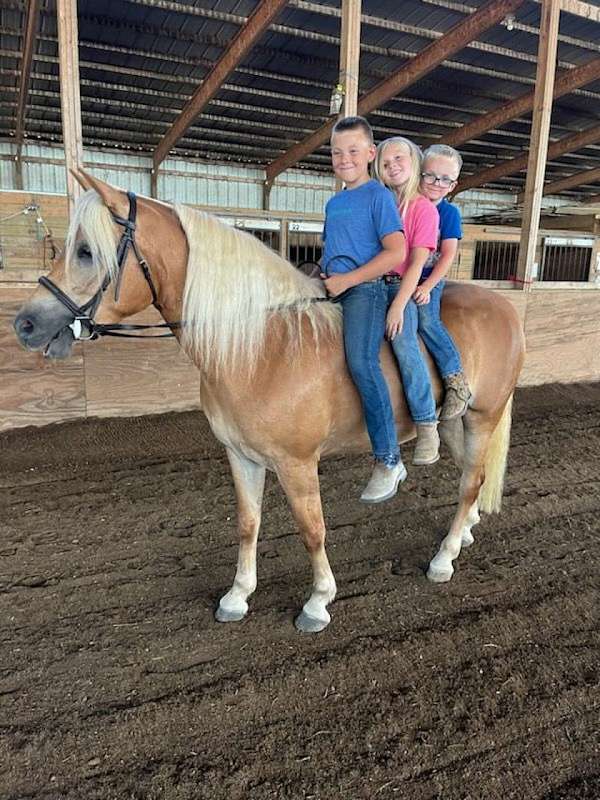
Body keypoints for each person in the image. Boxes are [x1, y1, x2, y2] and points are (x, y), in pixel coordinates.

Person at [321, 116, 407, 504]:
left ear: (370, 153)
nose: (345, 159)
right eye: (338, 152)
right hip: (333, 285)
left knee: (361, 361)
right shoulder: (334, 202)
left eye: (354, 151)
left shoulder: (378, 196)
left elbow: (396, 252)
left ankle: (389, 458)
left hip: (365, 291)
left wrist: (348, 280)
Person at [373, 136, 440, 466]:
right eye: (385, 163)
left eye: (399, 159)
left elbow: (416, 262)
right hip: (371, 285)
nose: (392, 166)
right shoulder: (381, 204)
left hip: (400, 285)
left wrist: (399, 304)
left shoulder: (423, 209)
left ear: (414, 162)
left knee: (404, 344)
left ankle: (427, 424)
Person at [415, 144, 471, 420]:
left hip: (428, 277)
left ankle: (455, 379)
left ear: (453, 185)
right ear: (419, 174)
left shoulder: (449, 214)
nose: (437, 183)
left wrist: (426, 286)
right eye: (431, 176)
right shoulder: (407, 205)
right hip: (400, 277)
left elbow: (447, 255)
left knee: (427, 321)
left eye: (445, 179)